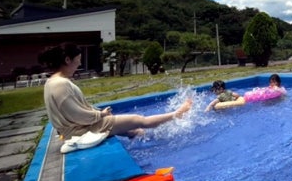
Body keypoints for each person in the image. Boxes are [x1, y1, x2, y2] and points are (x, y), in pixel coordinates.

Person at [42, 43, 191, 139]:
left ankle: (138, 134)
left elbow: (72, 112)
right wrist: (100, 114)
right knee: (139, 120)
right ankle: (177, 114)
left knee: (134, 130)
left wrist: (98, 113)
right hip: (81, 130)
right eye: (78, 59)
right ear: (68, 60)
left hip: (75, 129)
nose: (80, 63)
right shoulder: (61, 84)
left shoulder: (52, 82)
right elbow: (78, 115)